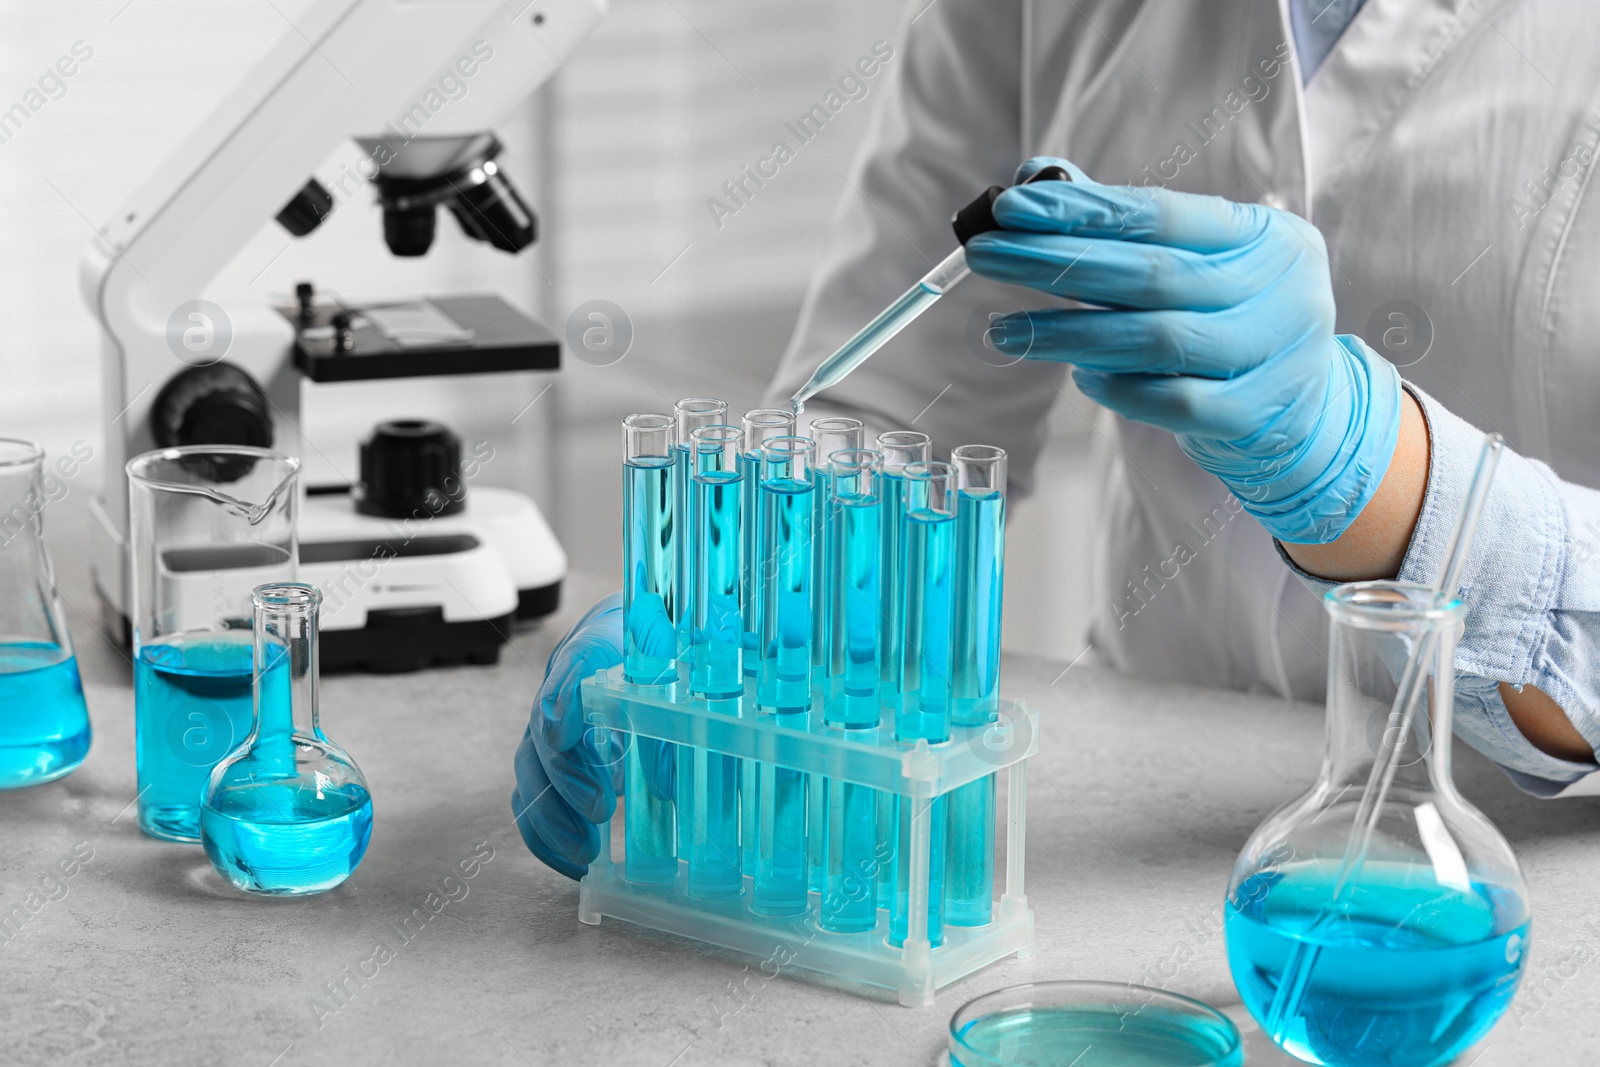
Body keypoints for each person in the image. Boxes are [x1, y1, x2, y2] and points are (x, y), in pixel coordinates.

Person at [514, 0, 1600, 877]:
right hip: (1128, 827)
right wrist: (747, 588)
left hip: (1520, 883)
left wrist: (1368, 470)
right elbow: (903, 397)